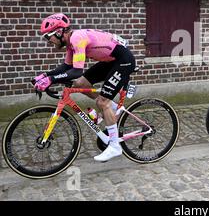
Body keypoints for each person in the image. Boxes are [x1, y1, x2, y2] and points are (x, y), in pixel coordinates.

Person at [33, 13, 136, 162]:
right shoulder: (70, 44)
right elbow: (66, 67)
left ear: (58, 32)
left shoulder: (77, 39)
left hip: (123, 60)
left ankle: (115, 146)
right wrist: (45, 76)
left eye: (48, 37)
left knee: (101, 102)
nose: (49, 41)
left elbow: (76, 71)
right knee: (80, 83)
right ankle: (112, 107)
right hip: (111, 61)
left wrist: (51, 80)